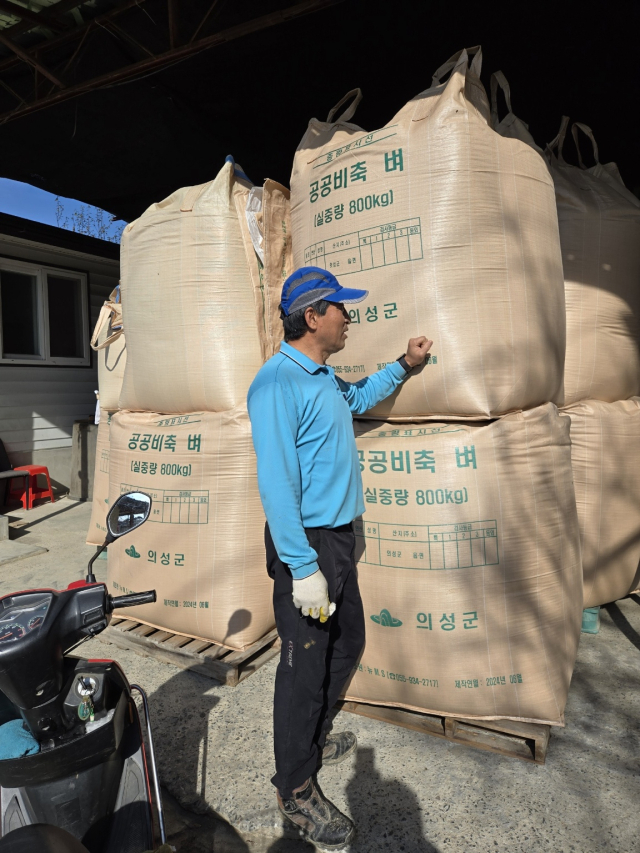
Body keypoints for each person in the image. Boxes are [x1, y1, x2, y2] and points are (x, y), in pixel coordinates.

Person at [247, 266, 432, 850]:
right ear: (312, 317)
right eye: (340, 309)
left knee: (347, 643)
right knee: (303, 667)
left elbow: (358, 397)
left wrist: (405, 366)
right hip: (309, 544)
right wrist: (302, 569)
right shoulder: (277, 383)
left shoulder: (321, 377)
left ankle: (312, 738)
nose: (348, 318)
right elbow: (276, 484)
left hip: (339, 541)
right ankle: (296, 787)